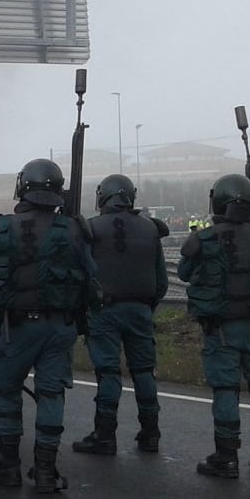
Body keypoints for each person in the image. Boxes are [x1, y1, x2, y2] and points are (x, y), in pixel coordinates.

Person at [0, 158, 98, 492]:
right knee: (51, 393)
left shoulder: (1, 227)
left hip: (17, 327)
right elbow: (91, 272)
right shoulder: (75, 228)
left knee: (7, 392)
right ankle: (46, 471)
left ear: (23, 186)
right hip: (60, 326)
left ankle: (8, 465)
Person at [179, 174, 250, 478]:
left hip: (221, 329)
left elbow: (184, 272)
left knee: (226, 390)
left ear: (217, 201)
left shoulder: (205, 238)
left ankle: (227, 457)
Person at [73, 175, 168, 455]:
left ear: (103, 196)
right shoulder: (150, 228)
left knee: (109, 372)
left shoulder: (91, 228)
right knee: (143, 371)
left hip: (104, 310)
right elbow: (161, 281)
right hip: (140, 309)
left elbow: (80, 274)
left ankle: (104, 435)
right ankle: (151, 433)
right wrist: (146, 307)